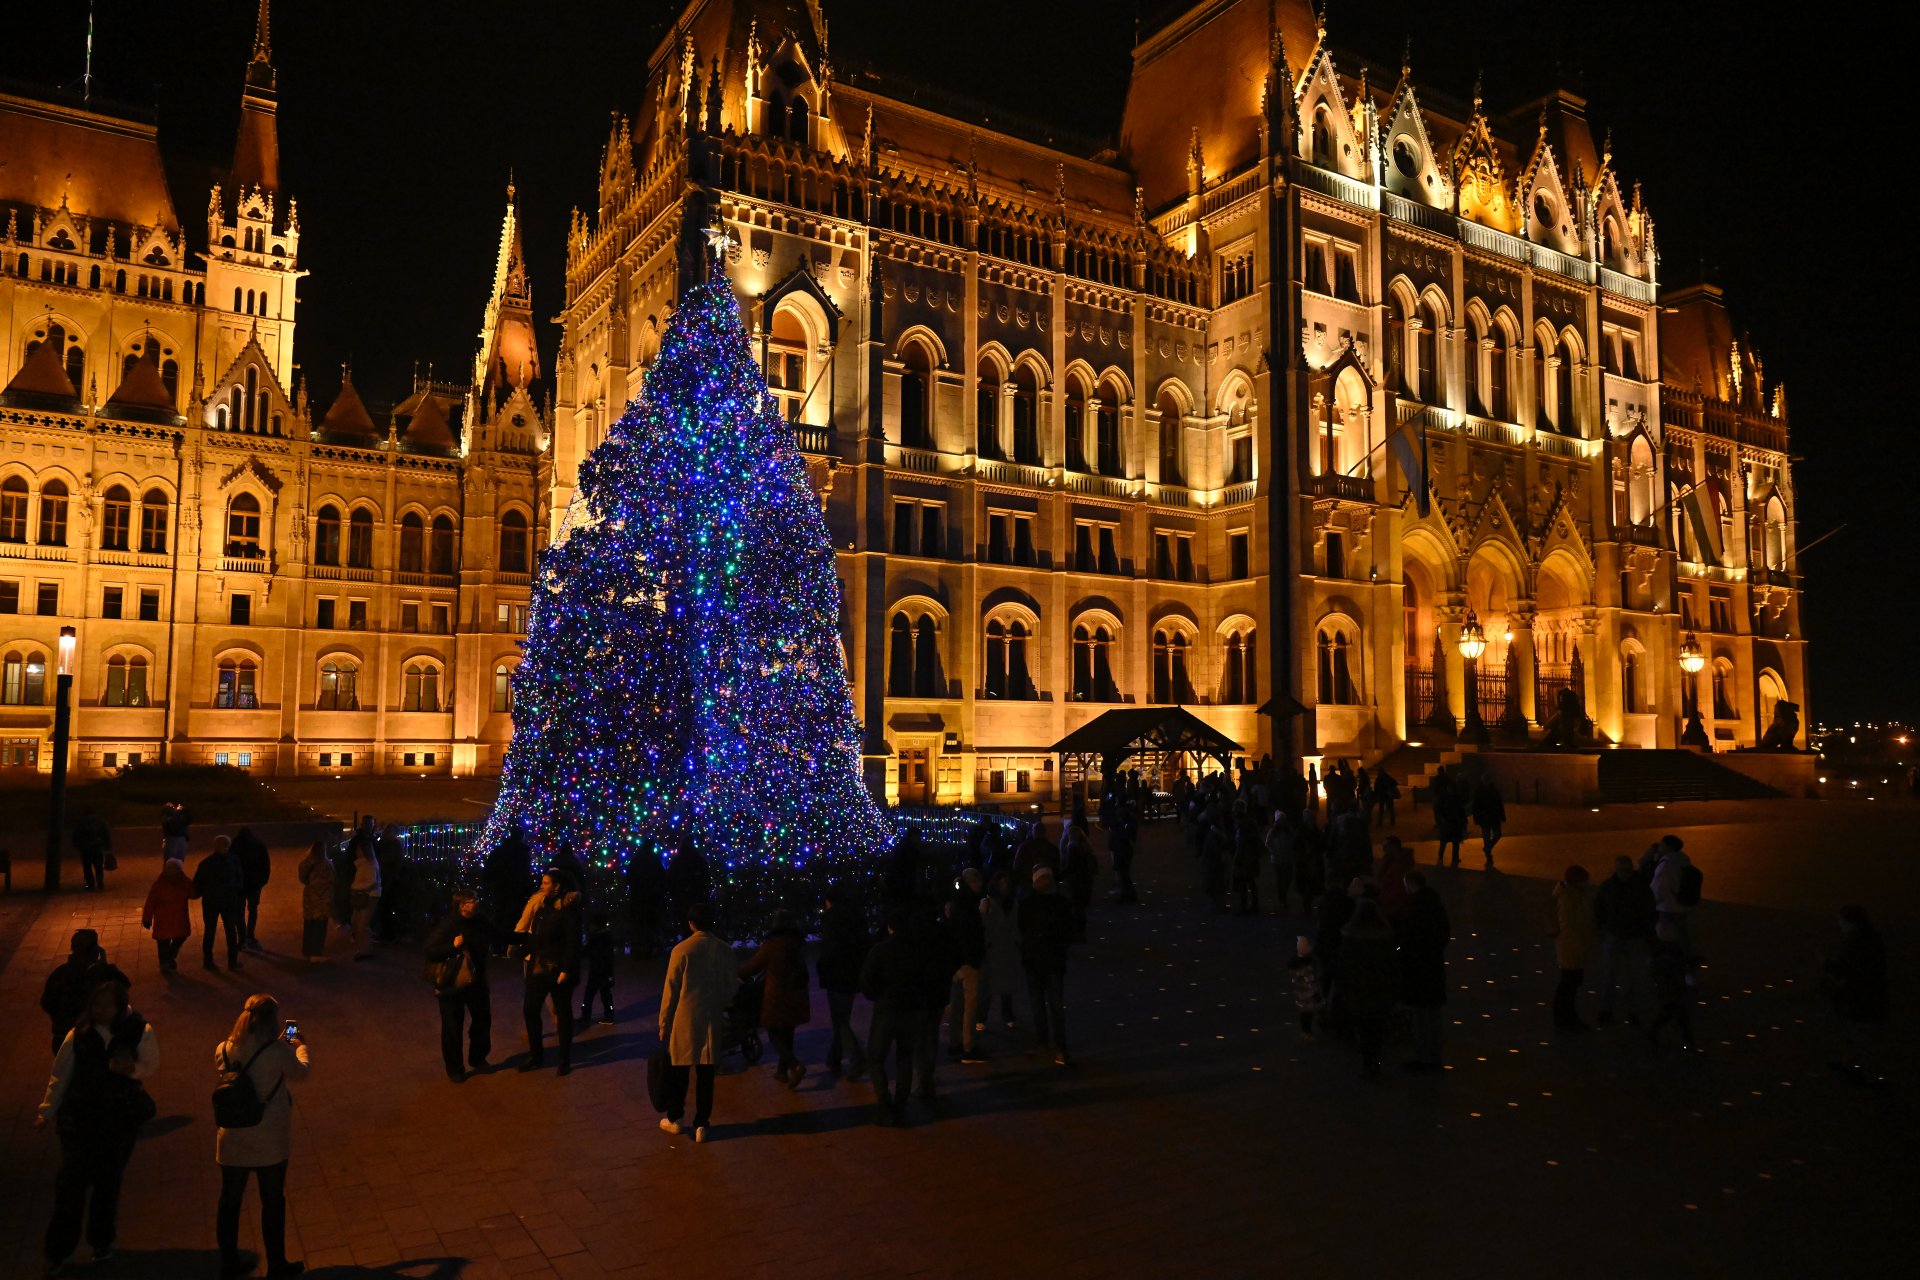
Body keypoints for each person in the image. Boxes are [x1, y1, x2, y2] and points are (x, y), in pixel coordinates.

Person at [36, 980, 157, 1276]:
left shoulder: (139, 1030)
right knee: (70, 1186)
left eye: (107, 1005)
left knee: (108, 1184)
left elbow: (151, 1064)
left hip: (118, 1120)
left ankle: (102, 1243)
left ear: (120, 1006)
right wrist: (47, 1110)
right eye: (96, 1005)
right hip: (80, 1119)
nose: (100, 1011)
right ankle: (60, 1250)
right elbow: (60, 1074)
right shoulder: (79, 1034)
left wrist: (131, 1070)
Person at [213, 994, 310, 1279]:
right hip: (268, 1139)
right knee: (272, 1202)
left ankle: (229, 1263)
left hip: (232, 1138)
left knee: (229, 1202)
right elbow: (301, 1072)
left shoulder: (224, 1049)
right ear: (272, 1021)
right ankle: (277, 1264)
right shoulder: (277, 1050)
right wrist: (300, 1046)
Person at [658, 902, 737, 1140]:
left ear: (691, 923)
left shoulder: (682, 950)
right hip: (711, 1016)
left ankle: (675, 1118)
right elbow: (731, 986)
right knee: (706, 1075)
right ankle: (702, 1123)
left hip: (685, 1016)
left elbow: (670, 989)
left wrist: (664, 1022)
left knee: (679, 1072)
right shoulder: (724, 950)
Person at [425, 891, 507, 1082]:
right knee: (452, 1027)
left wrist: (525, 938)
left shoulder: (481, 920)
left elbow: (498, 933)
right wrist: (453, 946)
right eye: (470, 902)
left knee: (482, 1020)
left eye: (476, 900)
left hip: (476, 981)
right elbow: (429, 951)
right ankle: (455, 1068)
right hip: (452, 984)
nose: (475, 904)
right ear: (461, 906)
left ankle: (478, 1058)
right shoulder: (449, 925)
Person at [859, 908, 926, 1125]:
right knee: (905, 1057)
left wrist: (877, 995)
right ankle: (900, 1104)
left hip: (886, 1010)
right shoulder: (916, 950)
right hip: (909, 1009)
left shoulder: (880, 950)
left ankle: (884, 1100)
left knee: (875, 1057)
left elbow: (867, 982)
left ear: (890, 927)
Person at [513, 871, 581, 1075]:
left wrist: (566, 968)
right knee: (530, 1009)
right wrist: (521, 949)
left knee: (563, 1013)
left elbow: (573, 941)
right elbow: (536, 937)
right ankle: (536, 1055)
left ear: (557, 886)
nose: (541, 885)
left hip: (558, 970)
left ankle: (564, 1059)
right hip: (539, 967)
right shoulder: (542, 906)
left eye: (545, 883)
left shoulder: (568, 909)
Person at [739, 909, 811, 1087]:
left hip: (778, 997)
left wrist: (738, 974)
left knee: (773, 1035)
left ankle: (795, 1065)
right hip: (797, 995)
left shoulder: (772, 944)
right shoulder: (797, 943)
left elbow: (754, 966)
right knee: (788, 1032)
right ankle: (781, 1072)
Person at [1821, 905, 1889, 1085]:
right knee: (1854, 1032)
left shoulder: (1855, 942)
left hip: (1859, 996)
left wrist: (1830, 967)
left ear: (1850, 921)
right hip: (1864, 994)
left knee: (1859, 1034)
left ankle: (1870, 1076)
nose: (1839, 924)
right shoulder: (1870, 938)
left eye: (1841, 920)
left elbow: (1850, 971)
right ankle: (1851, 1064)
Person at [1016, 866, 1075, 1066]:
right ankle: (1052, 1044)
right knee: (1045, 1005)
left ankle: (1052, 1044)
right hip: (1044, 960)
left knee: (1048, 1005)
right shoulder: (1057, 903)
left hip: (1042, 960)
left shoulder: (1032, 904)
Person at [1334, 898, 1397, 1078]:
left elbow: (1342, 967)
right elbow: (1393, 966)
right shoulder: (1385, 938)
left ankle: (1367, 1063)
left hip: (1358, 991)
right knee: (1376, 1030)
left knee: (1364, 1029)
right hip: (1380, 990)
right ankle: (1374, 1063)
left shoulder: (1351, 938)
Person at [41, 931, 132, 1055]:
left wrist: (61, 1019)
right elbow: (124, 986)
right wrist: (106, 966)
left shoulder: (59, 973)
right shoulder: (100, 975)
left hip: (62, 1038)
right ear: (95, 952)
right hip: (92, 1039)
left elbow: (46, 1003)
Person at [1593, 854, 1654, 1025]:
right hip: (1630, 936)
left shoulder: (1609, 886)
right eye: (1623, 871)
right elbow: (1650, 912)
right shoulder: (1641, 887)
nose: (1625, 874)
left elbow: (1599, 908)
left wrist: (1602, 928)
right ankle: (1631, 1012)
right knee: (1631, 977)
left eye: (1626, 871)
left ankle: (1608, 1011)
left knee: (1614, 975)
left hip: (1620, 935)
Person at [816, 887, 870, 1080]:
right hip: (853, 973)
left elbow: (829, 949)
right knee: (842, 1017)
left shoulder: (832, 919)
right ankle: (834, 1057)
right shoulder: (857, 915)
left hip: (837, 974)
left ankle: (856, 1056)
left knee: (840, 1020)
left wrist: (823, 969)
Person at [1400, 871, 1450, 1071]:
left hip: (1418, 967)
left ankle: (1424, 1057)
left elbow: (1408, 936)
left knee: (1420, 1014)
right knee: (1433, 1014)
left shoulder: (1414, 907)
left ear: (1410, 885)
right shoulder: (1436, 905)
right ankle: (1434, 1056)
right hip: (1434, 965)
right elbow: (1444, 934)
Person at [944, 869, 988, 1063]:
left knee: (956, 1005)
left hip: (955, 960)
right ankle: (969, 1047)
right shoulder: (969, 905)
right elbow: (973, 934)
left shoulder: (954, 903)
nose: (980, 885)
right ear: (971, 882)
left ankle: (955, 1043)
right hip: (969, 960)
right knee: (970, 1006)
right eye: (977, 881)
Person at [1550, 865, 1597, 1031]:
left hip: (1572, 946)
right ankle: (1566, 1018)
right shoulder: (1570, 898)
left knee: (1569, 984)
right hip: (1572, 948)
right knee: (1569, 985)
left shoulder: (1572, 895)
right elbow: (1571, 925)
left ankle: (1565, 1018)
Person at [194, 837, 246, 972]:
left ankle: (209, 961)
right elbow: (240, 879)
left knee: (213, 931)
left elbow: (197, 885)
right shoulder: (233, 861)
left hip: (214, 902)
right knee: (226, 931)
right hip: (225, 902)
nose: (225, 847)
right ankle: (230, 962)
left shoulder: (206, 863)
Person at [1645, 917, 1697, 1053]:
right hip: (1674, 988)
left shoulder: (1659, 952)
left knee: (1670, 1011)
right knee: (1677, 1013)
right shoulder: (1675, 953)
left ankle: (1655, 1032)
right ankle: (1687, 1041)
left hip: (1666, 988)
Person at [980, 872, 1022, 1032]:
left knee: (1003, 984)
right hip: (996, 948)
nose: (1005, 886)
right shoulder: (990, 903)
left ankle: (1003, 1014)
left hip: (1005, 948)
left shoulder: (1011, 903)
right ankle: (986, 1015)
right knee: (990, 985)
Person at [141, 860, 196, 972]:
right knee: (162, 943)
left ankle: (170, 956)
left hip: (179, 919)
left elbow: (193, 894)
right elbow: (150, 902)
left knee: (180, 937)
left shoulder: (184, 882)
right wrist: (147, 918)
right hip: (163, 921)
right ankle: (164, 964)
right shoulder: (159, 885)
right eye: (169, 869)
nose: (171, 872)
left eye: (174, 869)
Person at [1650, 835, 1699, 958]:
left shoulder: (1667, 864)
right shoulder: (1683, 861)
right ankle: (1686, 962)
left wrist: (1651, 902)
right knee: (1682, 934)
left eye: (1662, 844)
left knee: (1664, 936)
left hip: (1667, 906)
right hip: (1682, 905)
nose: (1660, 846)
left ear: (1668, 847)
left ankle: (1668, 961)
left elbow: (1659, 887)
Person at [232, 828, 271, 953]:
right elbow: (266, 865)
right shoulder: (259, 846)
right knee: (253, 910)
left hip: (240, 886)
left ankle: (242, 938)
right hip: (254, 885)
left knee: (239, 912)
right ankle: (250, 935)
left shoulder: (235, 846)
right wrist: (262, 881)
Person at [665, 839, 712, 937]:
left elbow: (670, 879)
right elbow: (706, 878)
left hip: (682, 899)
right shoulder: (699, 860)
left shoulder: (677, 861)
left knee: (685, 924)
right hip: (697, 897)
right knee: (698, 923)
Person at [295, 842, 334, 963]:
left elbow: (302, 878)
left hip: (309, 898)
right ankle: (316, 952)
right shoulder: (327, 865)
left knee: (309, 925)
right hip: (323, 900)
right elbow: (333, 879)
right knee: (320, 927)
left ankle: (307, 950)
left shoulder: (305, 863)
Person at [347, 836, 383, 961]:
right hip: (366, 895)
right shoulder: (365, 863)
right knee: (357, 921)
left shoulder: (369, 864)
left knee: (361, 923)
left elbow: (371, 882)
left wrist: (356, 887)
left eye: (358, 849)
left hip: (368, 896)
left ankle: (365, 950)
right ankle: (363, 948)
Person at [72, 808, 112, 892]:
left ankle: (90, 884)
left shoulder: (81, 822)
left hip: (85, 848)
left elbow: (76, 834)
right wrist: (108, 846)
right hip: (97, 847)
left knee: (87, 867)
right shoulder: (100, 821)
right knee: (98, 866)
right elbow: (106, 833)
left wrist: (77, 845)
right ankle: (100, 882)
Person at [1471, 776, 1506, 868]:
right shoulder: (1480, 791)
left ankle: (1487, 849)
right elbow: (1475, 806)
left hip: (1492, 817)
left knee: (1496, 835)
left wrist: (1502, 815)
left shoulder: (1492, 790)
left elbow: (1499, 803)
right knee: (1487, 836)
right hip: (1485, 817)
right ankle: (1488, 854)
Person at [1107, 799, 1138, 903]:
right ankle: (1128, 894)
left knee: (1123, 874)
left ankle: (1127, 895)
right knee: (1124, 874)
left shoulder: (1124, 825)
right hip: (1122, 849)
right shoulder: (1125, 824)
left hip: (1122, 850)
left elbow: (1126, 836)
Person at [1435, 774, 1469, 868]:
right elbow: (1439, 810)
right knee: (1445, 841)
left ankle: (1454, 857)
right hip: (1448, 822)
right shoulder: (1445, 798)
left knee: (1454, 842)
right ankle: (1441, 855)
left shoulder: (1454, 798)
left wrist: (1463, 820)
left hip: (1454, 822)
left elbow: (1461, 810)